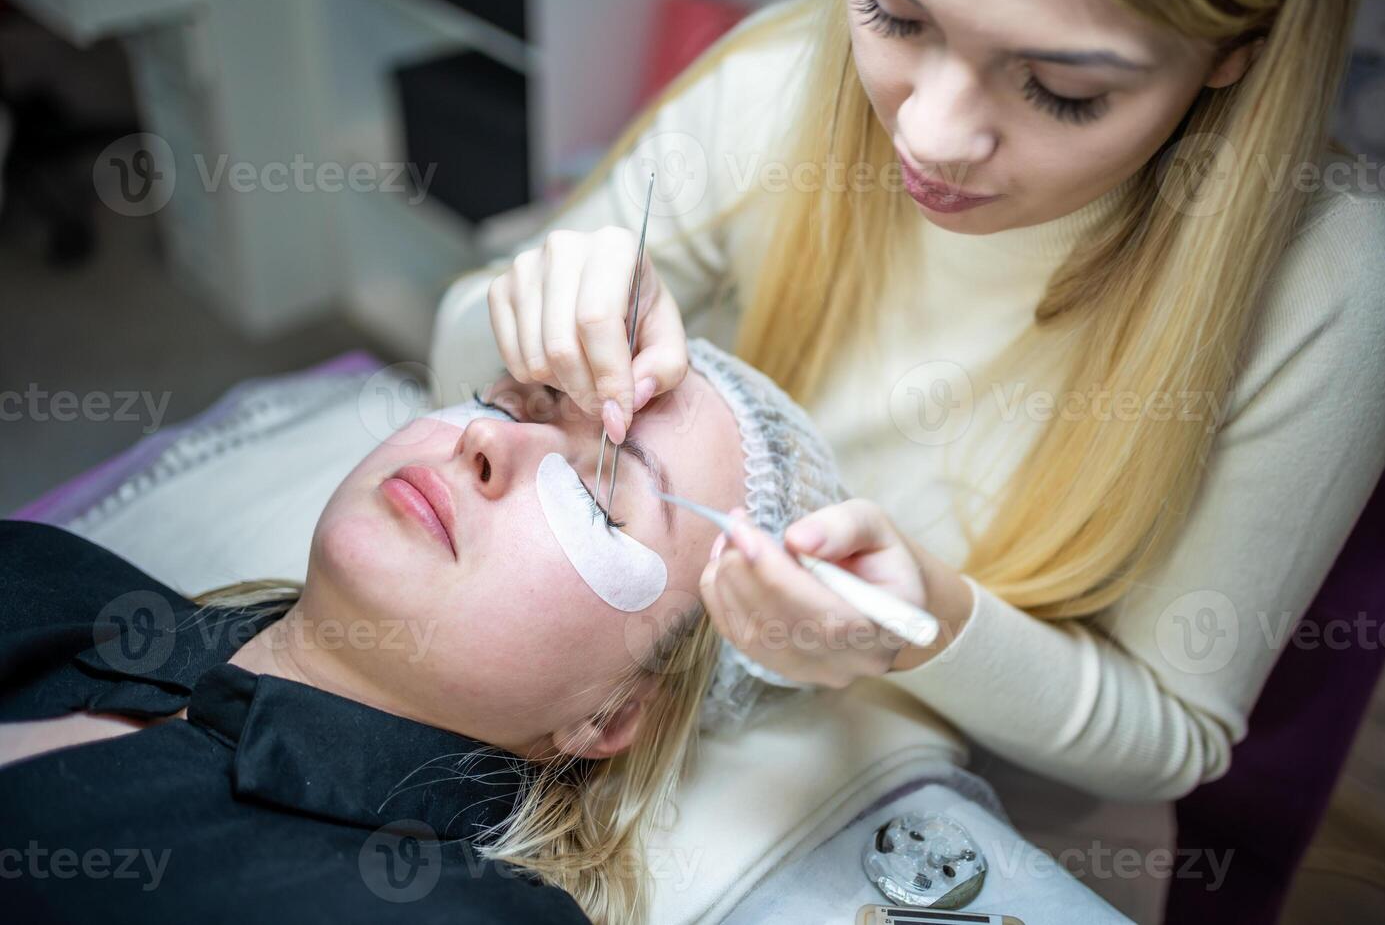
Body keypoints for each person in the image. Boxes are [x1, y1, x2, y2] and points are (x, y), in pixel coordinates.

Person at [472, 0, 1385, 919]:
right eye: (895, 14)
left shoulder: (1323, 277)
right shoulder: (789, 79)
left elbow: (1169, 735)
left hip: (993, 834)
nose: (927, 133)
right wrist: (537, 306)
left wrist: (929, 625)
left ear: (1234, 53)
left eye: (1058, 88)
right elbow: (457, 377)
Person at [0, 338, 847, 925]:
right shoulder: (43, 569)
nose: (487, 436)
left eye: (596, 495)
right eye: (516, 399)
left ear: (611, 714)